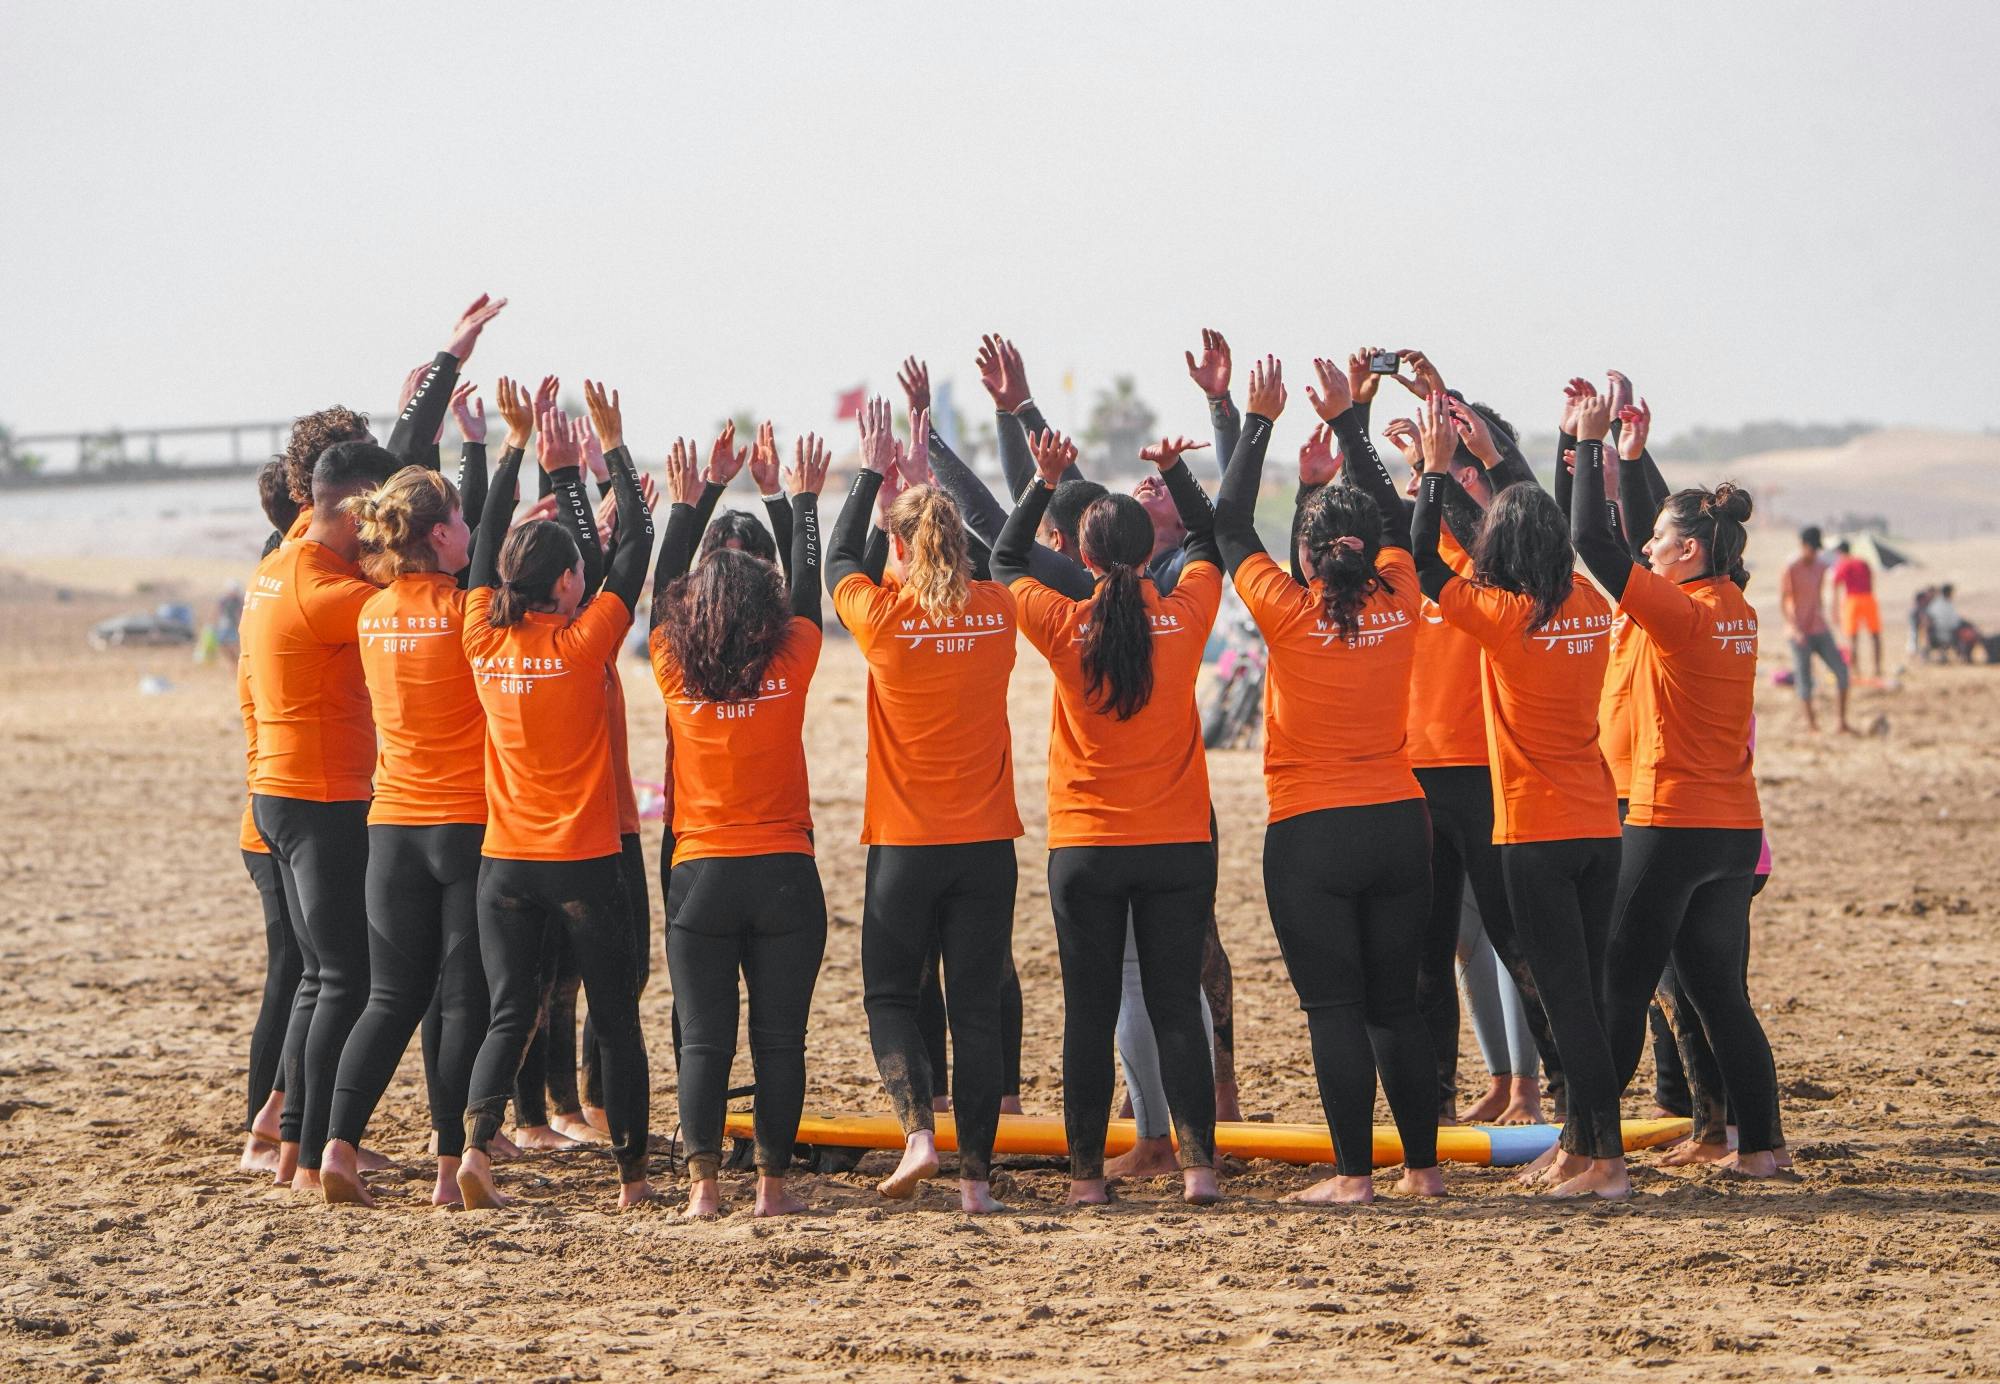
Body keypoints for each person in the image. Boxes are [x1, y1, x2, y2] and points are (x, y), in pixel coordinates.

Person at [1209, 356, 1441, 1205]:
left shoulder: (1286, 608)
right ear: (1371, 547)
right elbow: (1388, 517)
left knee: (1335, 1011)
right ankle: (1423, 1171)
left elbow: (1229, 521)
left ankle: (1353, 1179)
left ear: (1306, 555)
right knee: (1397, 1009)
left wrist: (1258, 421)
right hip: (1398, 822)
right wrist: (1351, 421)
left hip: (1311, 833)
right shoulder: (1404, 593)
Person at [991, 424, 1224, 1208]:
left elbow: (1005, 560)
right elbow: (1209, 539)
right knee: (1175, 1009)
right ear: (1146, 554)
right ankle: (1197, 1172)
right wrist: (1176, 471)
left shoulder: (1063, 623)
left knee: (1087, 1014)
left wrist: (1038, 481)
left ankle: (1087, 1181)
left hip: (1087, 845)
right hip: (1177, 843)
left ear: (1083, 561)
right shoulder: (1187, 614)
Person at [1411, 391, 1627, 1199]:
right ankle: (1578, 1148)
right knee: (1584, 996)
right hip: (1597, 828)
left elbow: (1428, 566)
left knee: (1569, 999)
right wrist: (1498, 460)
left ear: (1498, 545)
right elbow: (1566, 536)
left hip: (1533, 831)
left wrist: (1436, 472)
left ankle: (1605, 1165)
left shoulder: (1502, 616)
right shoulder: (1592, 609)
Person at [455, 385, 656, 1211]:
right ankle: (634, 1181)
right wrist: (614, 446)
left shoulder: (480, 637)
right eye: (580, 571)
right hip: (582, 861)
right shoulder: (583, 645)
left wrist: (512, 448)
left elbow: (477, 561)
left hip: (504, 866)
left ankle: (472, 1148)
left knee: (511, 1015)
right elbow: (638, 547)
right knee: (614, 1015)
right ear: (570, 582)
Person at [1570, 414, 1786, 1179]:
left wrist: (1591, 450)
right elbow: (1633, 549)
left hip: (1669, 824)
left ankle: (1591, 1156)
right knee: (1720, 996)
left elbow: (1596, 549)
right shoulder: (1736, 609)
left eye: (1658, 539)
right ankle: (1761, 1150)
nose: (1647, 548)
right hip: (1733, 832)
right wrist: (1629, 459)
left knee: (1617, 991)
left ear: (1688, 551)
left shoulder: (1681, 618)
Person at [827, 397, 1021, 1214]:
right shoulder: (999, 613)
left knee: (890, 997)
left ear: (898, 550)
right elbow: (1001, 548)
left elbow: (839, 559)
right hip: (985, 846)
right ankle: (977, 1182)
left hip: (905, 846)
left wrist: (874, 476)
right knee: (977, 1007)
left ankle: (917, 1135)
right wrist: (913, 489)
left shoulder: (882, 618)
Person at [650, 429, 830, 1219]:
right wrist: (794, 501)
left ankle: (702, 1191)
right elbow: (811, 587)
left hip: (700, 875)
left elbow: (663, 584)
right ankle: (773, 1189)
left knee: (703, 1041)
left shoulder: (670, 662)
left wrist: (696, 500)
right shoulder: (790, 660)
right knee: (779, 1041)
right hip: (784, 870)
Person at [318, 456, 491, 1208]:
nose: (470, 533)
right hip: (466, 822)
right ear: (443, 531)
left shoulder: (370, 612)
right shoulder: (468, 611)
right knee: (459, 1002)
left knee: (388, 1000)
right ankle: (449, 1170)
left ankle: (338, 1146)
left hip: (391, 825)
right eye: (460, 521)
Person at [236, 466, 304, 1175]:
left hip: (265, 821)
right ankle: (268, 1130)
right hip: (275, 825)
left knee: (296, 973)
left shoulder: (260, 618)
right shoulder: (273, 625)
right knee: (295, 974)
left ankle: (277, 1126)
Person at [1781, 526, 1852, 733]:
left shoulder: (1820, 567)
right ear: (1803, 546)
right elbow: (1785, 600)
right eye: (1811, 549)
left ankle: (1841, 722)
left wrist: (1825, 618)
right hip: (1798, 630)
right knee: (1804, 678)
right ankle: (1811, 724)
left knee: (1842, 672)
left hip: (1818, 626)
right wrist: (1795, 628)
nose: (1814, 553)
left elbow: (1818, 598)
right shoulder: (1791, 568)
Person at [1829, 541, 1881, 679]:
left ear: (1840, 553)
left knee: (1853, 637)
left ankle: (1855, 670)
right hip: (1868, 598)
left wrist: (1834, 611)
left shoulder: (1843, 564)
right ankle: (1877, 668)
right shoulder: (1862, 562)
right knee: (1875, 635)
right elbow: (1871, 579)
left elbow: (1835, 586)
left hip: (1853, 600)